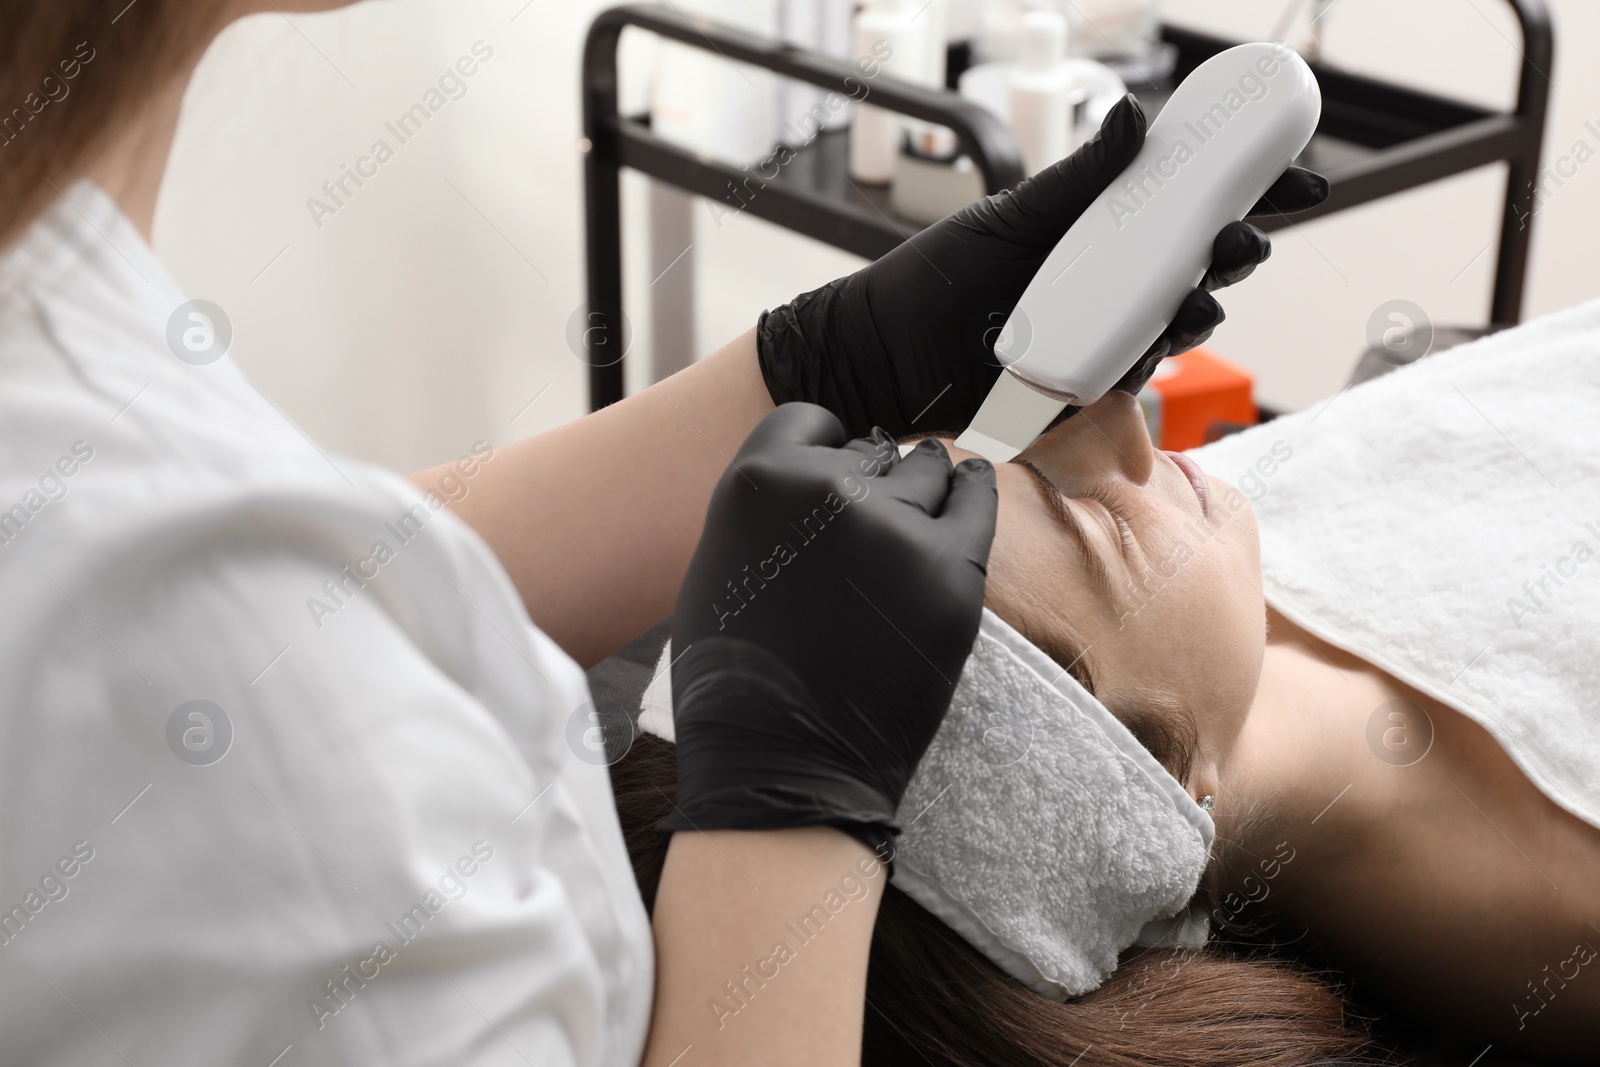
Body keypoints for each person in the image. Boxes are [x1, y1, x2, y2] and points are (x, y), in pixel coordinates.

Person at [0, 3, 1325, 1065]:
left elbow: (297, 582)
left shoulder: (56, 300)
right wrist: (789, 822)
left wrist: (809, 368)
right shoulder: (244, 733)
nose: (1131, 443)